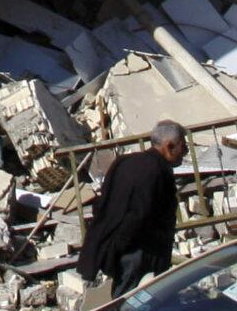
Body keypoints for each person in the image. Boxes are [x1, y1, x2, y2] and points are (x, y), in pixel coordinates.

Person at [79, 119, 185, 297]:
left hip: (120, 247)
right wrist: (124, 245)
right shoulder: (157, 171)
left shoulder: (125, 162)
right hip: (141, 253)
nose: (185, 152)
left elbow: (103, 202)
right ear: (169, 146)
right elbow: (140, 214)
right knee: (133, 303)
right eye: (183, 146)